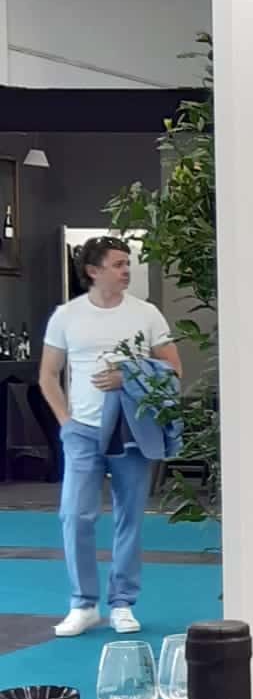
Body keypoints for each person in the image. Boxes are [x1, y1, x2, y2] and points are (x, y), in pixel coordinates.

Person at [38, 235, 180, 638]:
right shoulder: (67, 316)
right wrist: (65, 422)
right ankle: (83, 604)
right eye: (118, 264)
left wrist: (128, 376)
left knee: (129, 516)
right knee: (74, 515)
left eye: (127, 263)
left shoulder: (146, 314)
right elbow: (48, 375)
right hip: (82, 431)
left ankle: (122, 603)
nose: (126, 270)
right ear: (93, 271)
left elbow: (173, 370)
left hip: (131, 428)